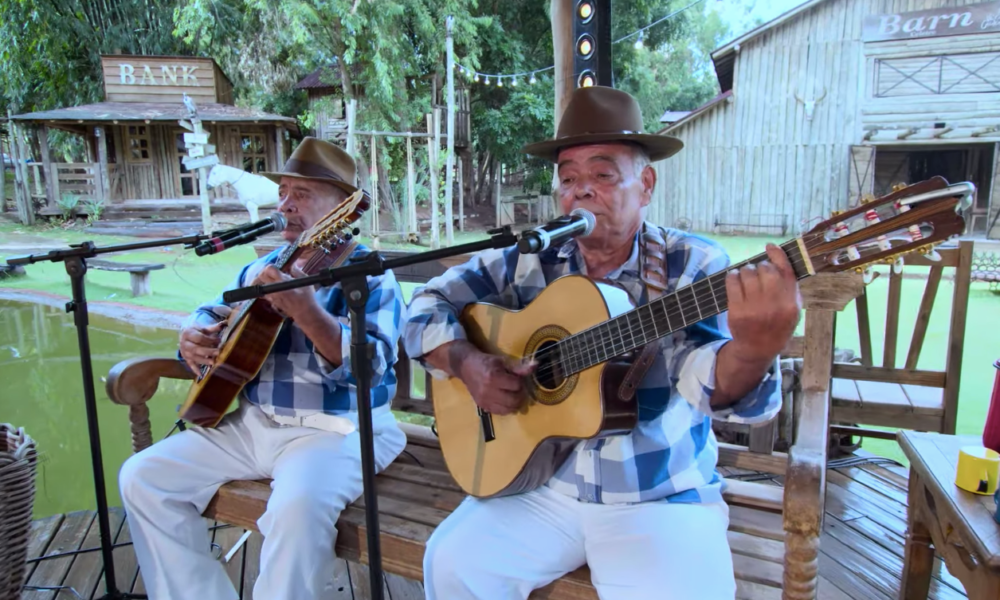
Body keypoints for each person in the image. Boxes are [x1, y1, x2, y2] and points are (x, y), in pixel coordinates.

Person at [403, 87, 801, 599]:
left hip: (658, 498)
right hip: (543, 484)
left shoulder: (691, 265)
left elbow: (703, 376)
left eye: (602, 174)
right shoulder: (531, 258)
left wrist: (752, 351)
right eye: (568, 179)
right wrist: (464, 361)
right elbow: (425, 304)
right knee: (453, 565)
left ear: (646, 184)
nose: (580, 191)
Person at [118, 137, 407, 600]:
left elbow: (370, 370)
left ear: (344, 206)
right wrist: (193, 336)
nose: (286, 206)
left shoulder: (371, 274)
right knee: (143, 478)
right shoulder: (268, 265)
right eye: (283, 193)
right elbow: (212, 310)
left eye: (303, 194)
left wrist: (309, 313)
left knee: (295, 507)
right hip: (252, 425)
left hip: (338, 429)